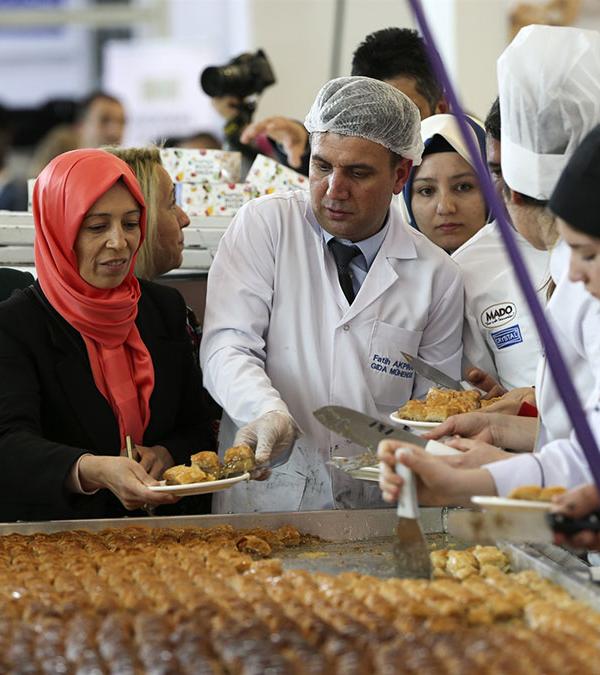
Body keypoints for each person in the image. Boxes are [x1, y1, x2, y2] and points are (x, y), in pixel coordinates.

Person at [200, 76, 464, 513]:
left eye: (358, 173)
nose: (334, 189)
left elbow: (430, 410)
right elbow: (227, 345)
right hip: (269, 497)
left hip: (377, 507)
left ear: (400, 175)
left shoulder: (437, 275)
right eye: (322, 167)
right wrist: (265, 411)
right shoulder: (266, 226)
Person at [378, 34, 600, 507]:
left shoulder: (585, 281)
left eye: (486, 176)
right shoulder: (566, 264)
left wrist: (482, 473)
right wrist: (497, 433)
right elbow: (581, 448)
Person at [0, 149, 214, 522]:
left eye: (130, 223)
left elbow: (198, 427)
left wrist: (166, 454)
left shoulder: (163, 309)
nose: (119, 242)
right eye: (97, 227)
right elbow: (9, 445)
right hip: (62, 539)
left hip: (166, 536)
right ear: (58, 230)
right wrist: (92, 470)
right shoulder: (17, 325)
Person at [240, 27, 447, 173]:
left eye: (406, 115)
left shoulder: (464, 163)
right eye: (371, 115)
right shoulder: (344, 187)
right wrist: (306, 149)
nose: (387, 136)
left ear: (441, 109)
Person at [452, 97, 551, 391]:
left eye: (521, 170)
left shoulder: (585, 243)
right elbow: (485, 394)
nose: (511, 190)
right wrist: (503, 402)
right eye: (496, 170)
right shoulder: (466, 268)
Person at [401, 113, 488, 254]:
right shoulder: (381, 265)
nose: (445, 208)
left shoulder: (523, 264)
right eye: (427, 191)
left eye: (463, 187)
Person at [29, 92, 126, 177]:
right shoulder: (58, 151)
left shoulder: (126, 170)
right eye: (104, 120)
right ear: (80, 125)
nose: (115, 132)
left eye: (121, 122)